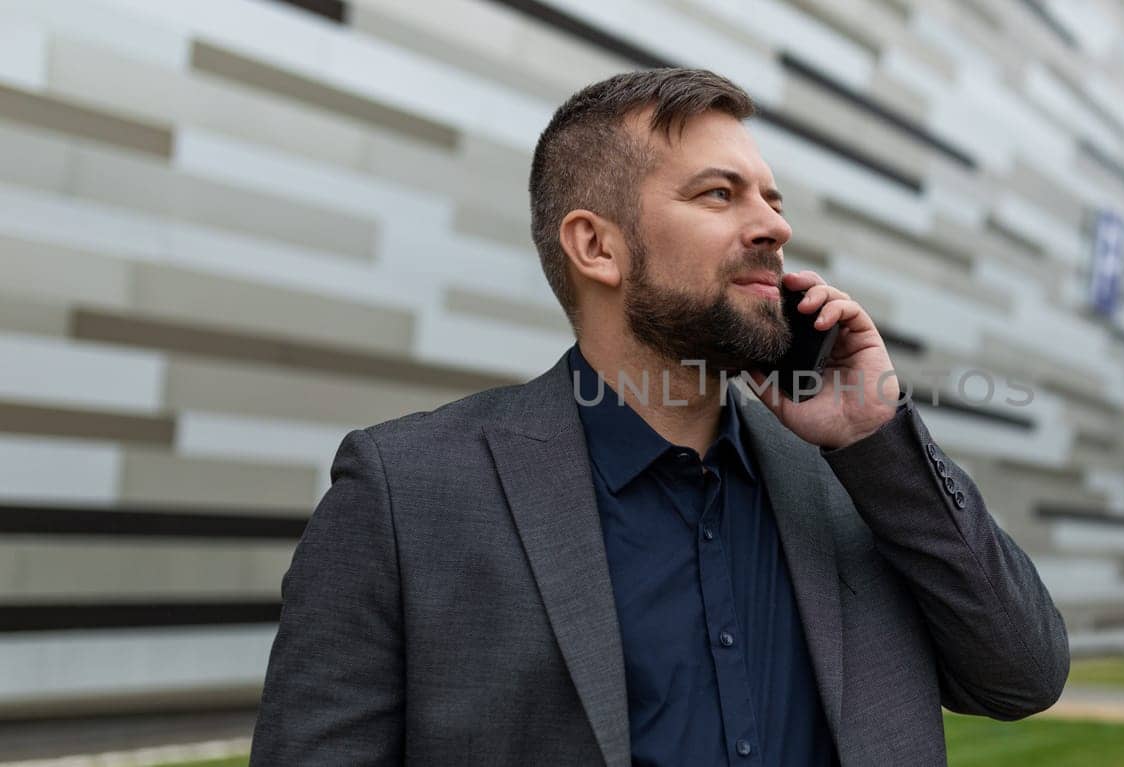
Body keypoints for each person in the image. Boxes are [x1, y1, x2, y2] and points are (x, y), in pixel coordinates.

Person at [249, 68, 1070, 766]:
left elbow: (1022, 676)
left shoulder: (856, 478)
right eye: (721, 194)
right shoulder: (405, 493)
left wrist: (875, 439)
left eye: (773, 200)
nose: (775, 226)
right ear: (595, 247)